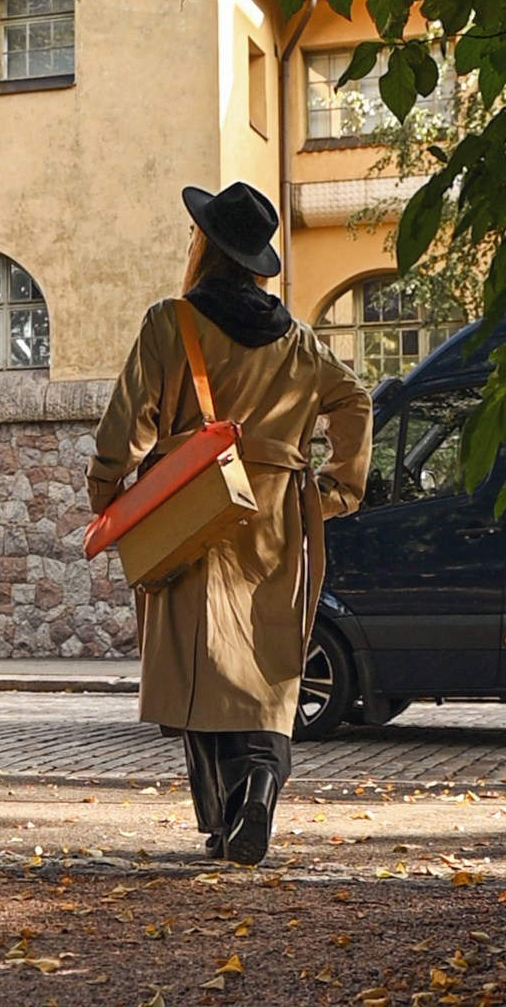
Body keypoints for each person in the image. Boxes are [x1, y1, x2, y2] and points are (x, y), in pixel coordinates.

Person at [85, 181, 372, 864]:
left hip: (189, 506)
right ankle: (263, 786)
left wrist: (107, 494)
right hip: (275, 513)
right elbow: (356, 399)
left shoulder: (171, 321)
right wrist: (336, 490)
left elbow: (126, 425)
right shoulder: (301, 344)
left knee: (197, 666)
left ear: (206, 246)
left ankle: (222, 818)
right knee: (268, 662)